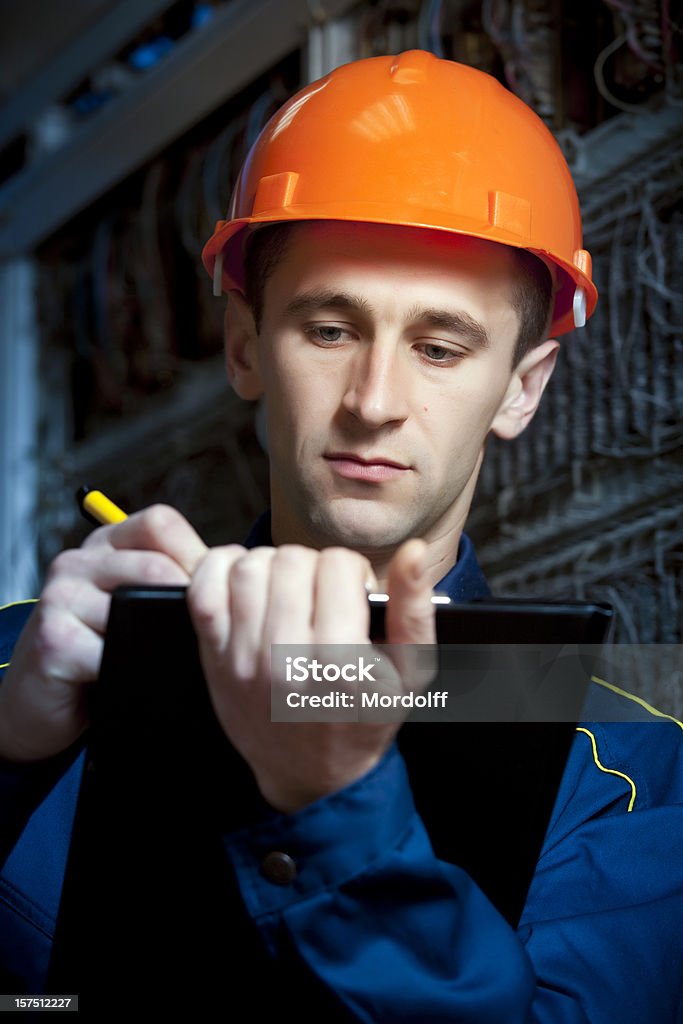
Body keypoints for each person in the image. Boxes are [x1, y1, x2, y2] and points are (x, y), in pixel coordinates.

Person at [1, 50, 682, 1021]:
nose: (372, 403)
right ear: (244, 345)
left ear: (521, 387)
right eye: (328, 329)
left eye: (438, 348)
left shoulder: (634, 778)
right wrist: (12, 760)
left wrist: (335, 812)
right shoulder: (32, 664)